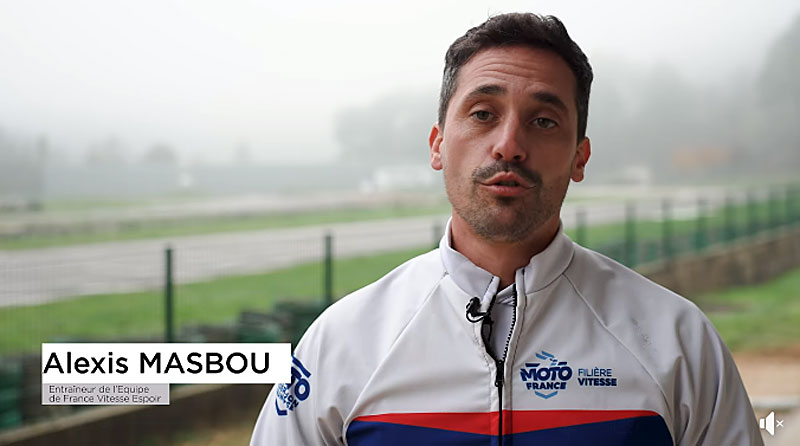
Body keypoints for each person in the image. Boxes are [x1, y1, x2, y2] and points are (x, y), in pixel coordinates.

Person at [251, 13, 762, 445]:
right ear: (438, 144)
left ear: (579, 157)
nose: (509, 145)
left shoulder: (678, 341)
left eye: (543, 121)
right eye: (482, 114)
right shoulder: (340, 343)